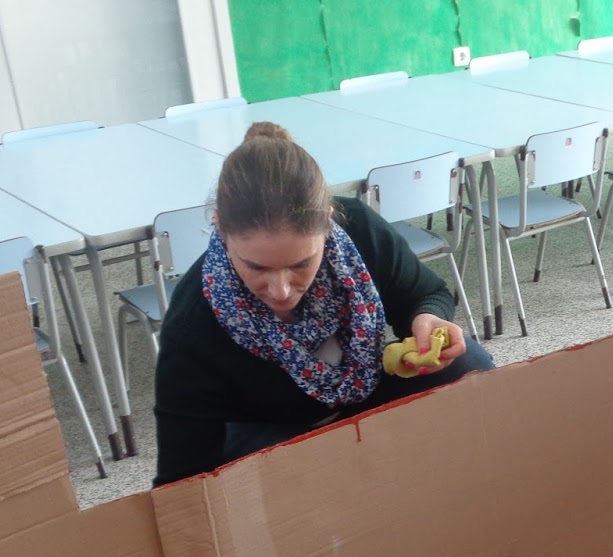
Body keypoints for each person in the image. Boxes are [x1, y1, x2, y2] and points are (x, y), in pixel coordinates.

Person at [153, 122, 493, 486]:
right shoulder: (193, 322)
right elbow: (181, 479)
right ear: (219, 227)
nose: (281, 291)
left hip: (363, 392)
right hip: (272, 434)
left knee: (469, 363)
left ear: (328, 222)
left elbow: (425, 294)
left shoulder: (359, 229)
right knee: (316, 481)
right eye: (256, 267)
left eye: (301, 264)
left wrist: (428, 318)